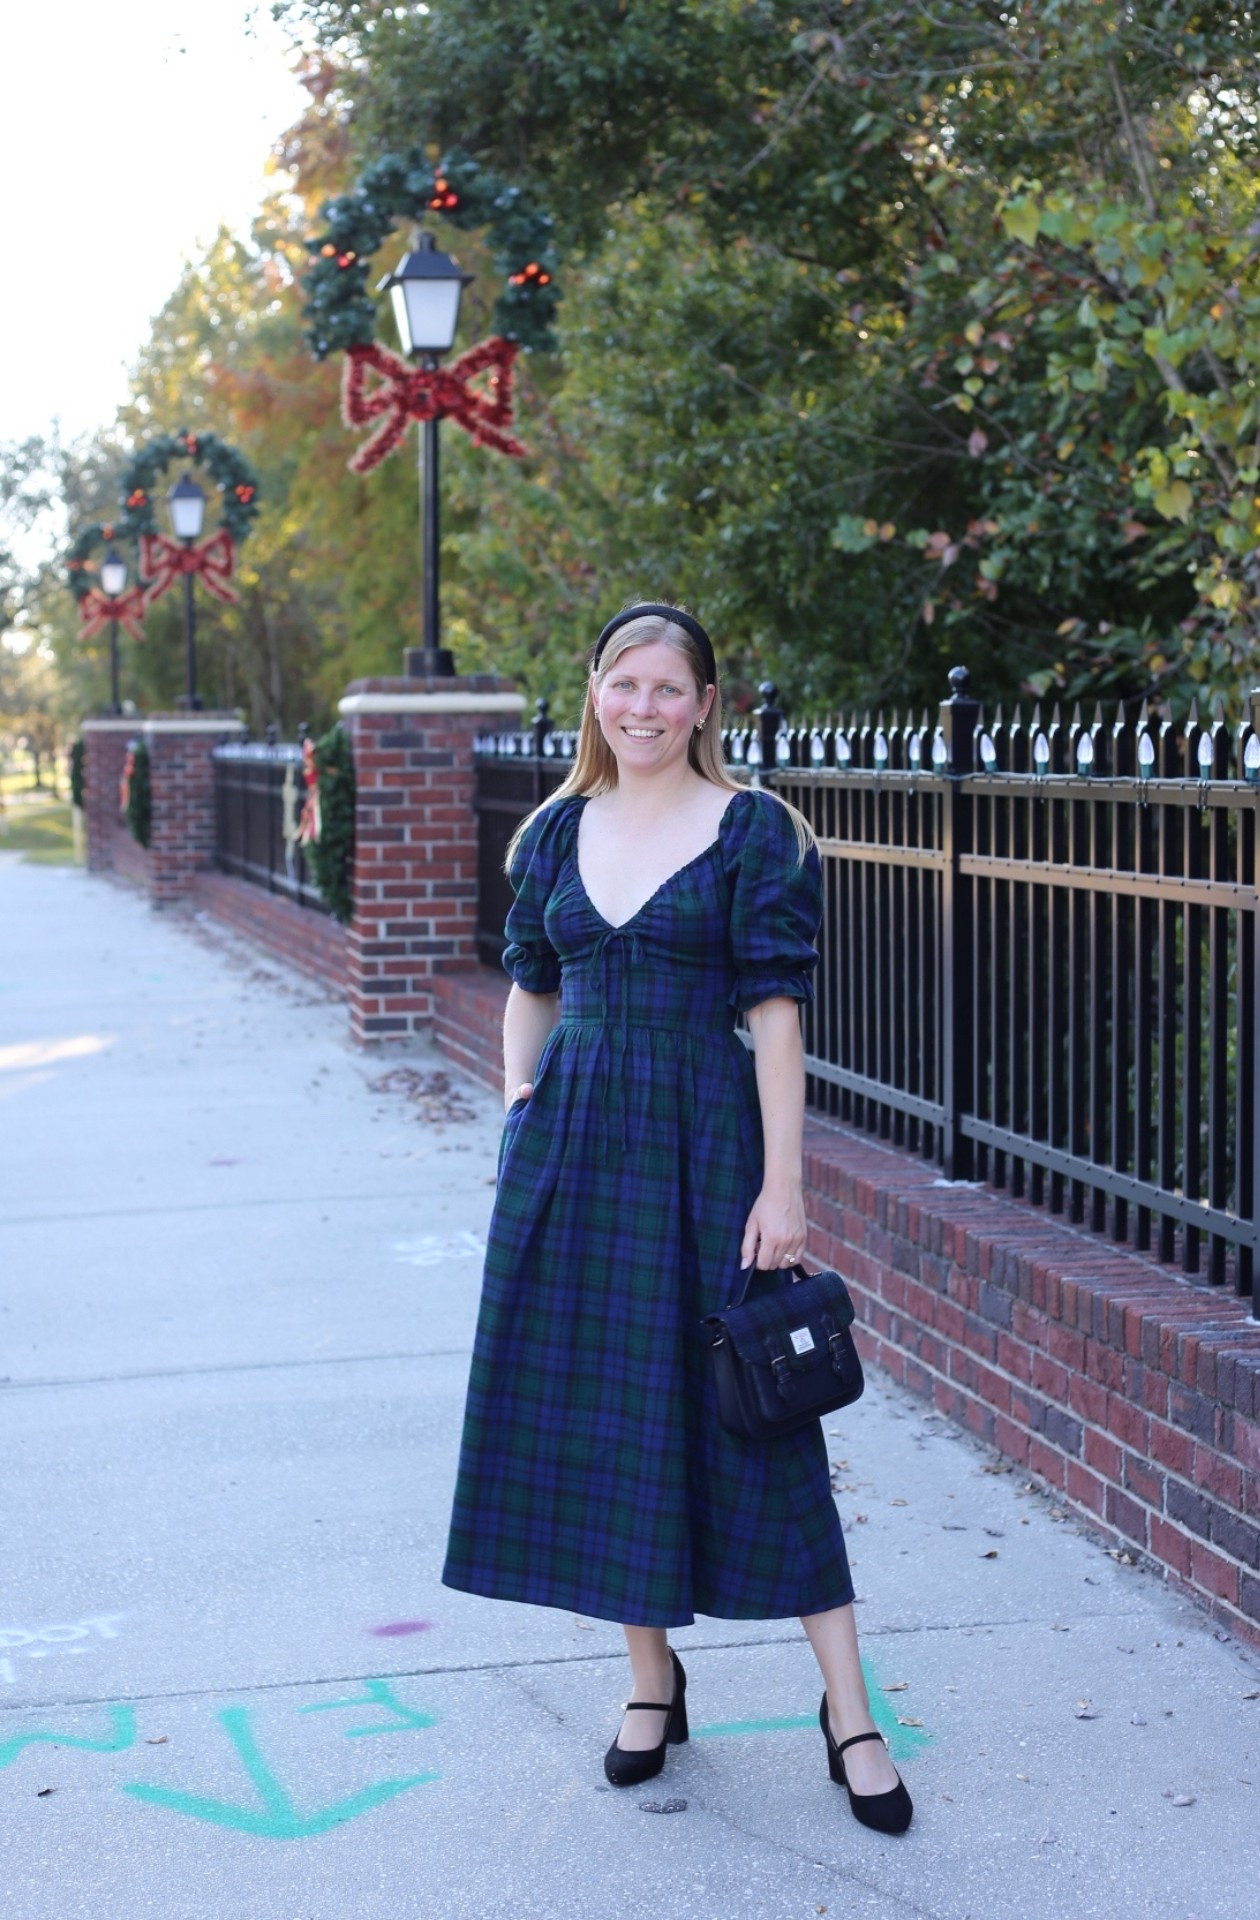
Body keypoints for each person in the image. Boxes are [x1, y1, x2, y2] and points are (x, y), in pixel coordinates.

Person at [443, 603, 912, 1834]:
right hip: (576, 1157)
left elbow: (774, 1019)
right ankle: (650, 1682)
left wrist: (785, 1183)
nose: (641, 707)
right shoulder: (554, 833)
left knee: (762, 1423)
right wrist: (516, 1103)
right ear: (593, 691)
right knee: (614, 1418)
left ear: (705, 704)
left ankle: (847, 1710)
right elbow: (528, 984)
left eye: (666, 688)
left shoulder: (752, 833)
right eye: (621, 683)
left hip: (709, 1152)